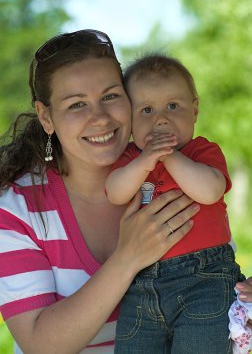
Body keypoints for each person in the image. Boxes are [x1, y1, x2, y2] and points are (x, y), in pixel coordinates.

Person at [0, 30, 200, 354]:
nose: (100, 118)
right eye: (77, 104)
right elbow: (38, 343)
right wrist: (127, 258)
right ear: (46, 117)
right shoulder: (16, 209)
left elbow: (212, 267)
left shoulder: (169, 171)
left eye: (110, 96)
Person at [105, 54, 245, 353]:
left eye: (173, 106)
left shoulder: (201, 151)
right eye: (146, 110)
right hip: (141, 285)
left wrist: (168, 154)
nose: (161, 118)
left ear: (194, 110)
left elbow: (209, 191)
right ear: (129, 122)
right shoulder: (133, 159)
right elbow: (115, 192)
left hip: (205, 279)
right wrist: (146, 159)